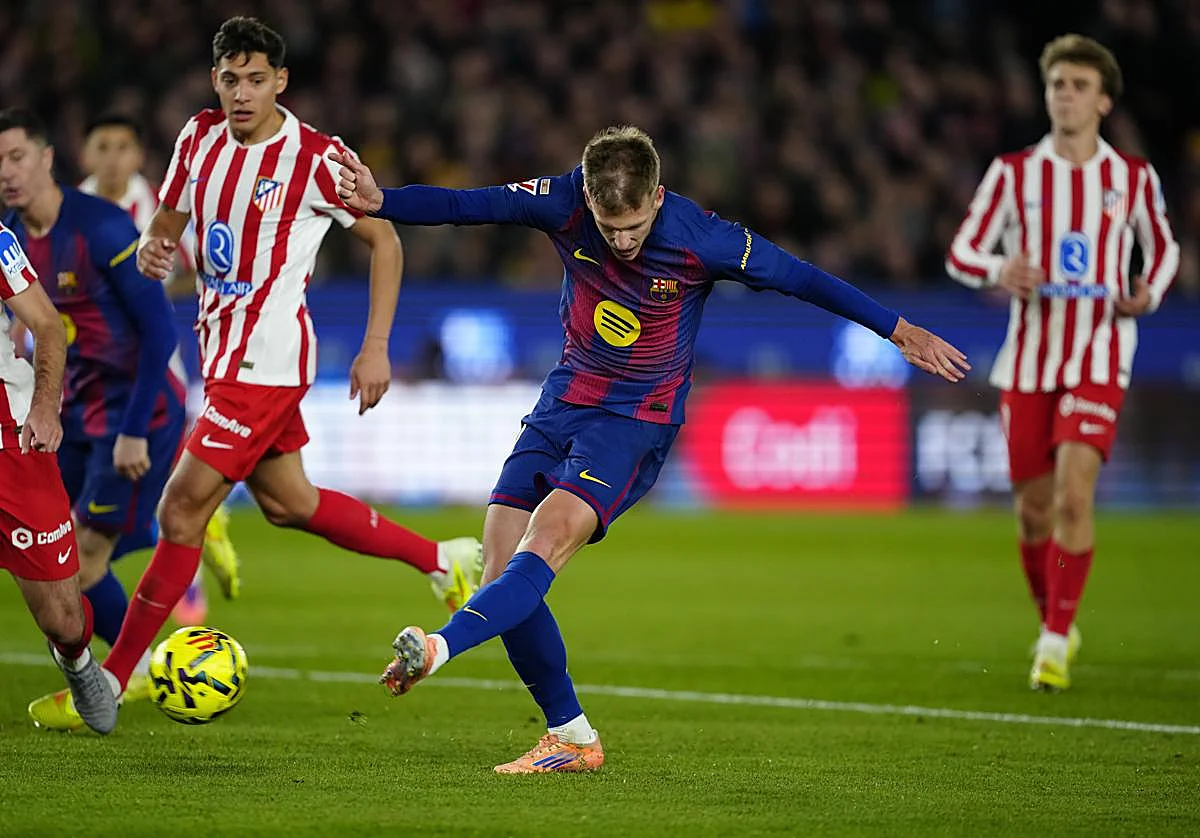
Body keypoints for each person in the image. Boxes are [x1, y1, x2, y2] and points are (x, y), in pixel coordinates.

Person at [329, 124, 970, 773]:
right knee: (500, 566)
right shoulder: (564, 201)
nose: (624, 242)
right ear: (591, 200)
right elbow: (471, 206)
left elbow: (802, 278)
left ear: (657, 198)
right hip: (565, 398)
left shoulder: (702, 237)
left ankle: (438, 648)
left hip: (637, 418)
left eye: (635, 227)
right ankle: (572, 737)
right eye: (611, 230)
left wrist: (898, 329)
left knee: (544, 543)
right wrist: (386, 201)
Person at [25, 15, 483, 732]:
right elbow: (167, 227)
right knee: (288, 503)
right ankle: (442, 560)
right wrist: (154, 253)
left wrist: (376, 344)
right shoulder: (198, 137)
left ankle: (112, 682)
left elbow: (384, 238)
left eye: (257, 80)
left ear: (281, 81)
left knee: (180, 512)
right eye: (231, 79)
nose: (243, 93)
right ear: (215, 80)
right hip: (223, 357)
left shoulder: (315, 157)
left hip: (266, 365)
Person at [946, 34, 1179, 692]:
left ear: (1103, 100)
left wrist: (1148, 291)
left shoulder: (1130, 178)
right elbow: (963, 251)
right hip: (1029, 360)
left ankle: (1052, 641)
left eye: (1078, 86)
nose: (1065, 96)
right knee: (1033, 512)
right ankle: (1057, 619)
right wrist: (1000, 267)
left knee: (1076, 498)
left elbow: (1162, 249)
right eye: (1056, 85)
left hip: (1101, 350)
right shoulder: (1015, 174)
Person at [1, 106, 188, 723]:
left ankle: (139, 670)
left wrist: (134, 429)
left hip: (131, 414)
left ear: (50, 157)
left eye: (17, 156)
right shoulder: (11, 233)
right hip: (73, 414)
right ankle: (133, 665)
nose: (8, 173)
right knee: (72, 567)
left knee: (81, 558)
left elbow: (160, 330)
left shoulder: (102, 228)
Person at [79, 112, 238, 626]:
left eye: (123, 146)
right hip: (88, 373)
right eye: (102, 146)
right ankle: (192, 538)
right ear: (86, 155)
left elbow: (191, 269)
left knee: (140, 488)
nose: (112, 157)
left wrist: (137, 292)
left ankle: (180, 576)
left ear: (138, 156)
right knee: (95, 503)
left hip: (152, 366)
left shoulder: (159, 205)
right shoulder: (69, 209)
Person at [0, 220, 119, 734]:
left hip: (12, 438)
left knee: (64, 620)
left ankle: (77, 661)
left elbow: (47, 325)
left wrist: (45, 408)